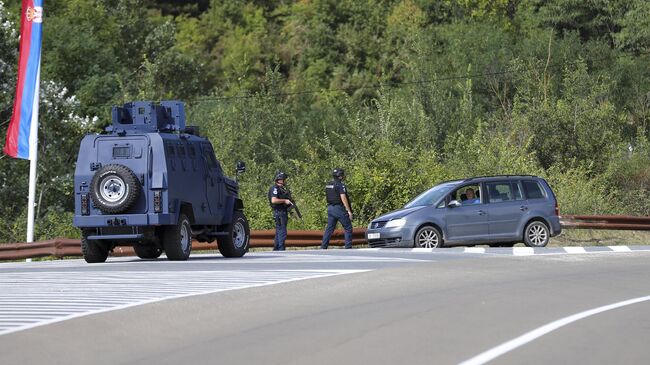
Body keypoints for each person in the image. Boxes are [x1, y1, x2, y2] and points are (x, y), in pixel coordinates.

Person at [321, 168, 353, 249]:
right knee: (348, 227)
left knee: (329, 228)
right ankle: (348, 247)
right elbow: (343, 197)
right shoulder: (340, 185)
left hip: (330, 208)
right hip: (339, 208)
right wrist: (348, 211)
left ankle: (323, 247)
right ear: (340, 176)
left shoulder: (328, 184)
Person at [268, 172, 292, 251]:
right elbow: (274, 200)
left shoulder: (281, 189)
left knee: (279, 230)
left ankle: (276, 248)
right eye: (284, 180)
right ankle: (281, 248)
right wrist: (285, 200)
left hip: (281, 211)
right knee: (282, 231)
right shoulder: (275, 188)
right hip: (279, 212)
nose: (285, 181)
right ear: (280, 180)